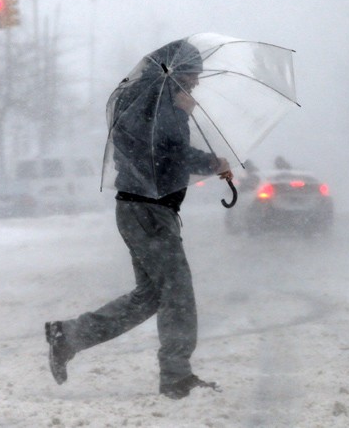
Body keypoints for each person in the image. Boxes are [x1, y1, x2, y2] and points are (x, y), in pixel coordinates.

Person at [45, 39, 233, 400]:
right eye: (192, 79)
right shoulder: (159, 104)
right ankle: (177, 377)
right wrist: (209, 157)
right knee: (177, 293)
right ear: (175, 75)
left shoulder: (147, 100)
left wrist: (182, 117)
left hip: (144, 209)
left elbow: (161, 151)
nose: (195, 86)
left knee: (150, 296)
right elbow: (167, 154)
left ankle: (67, 337)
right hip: (148, 209)